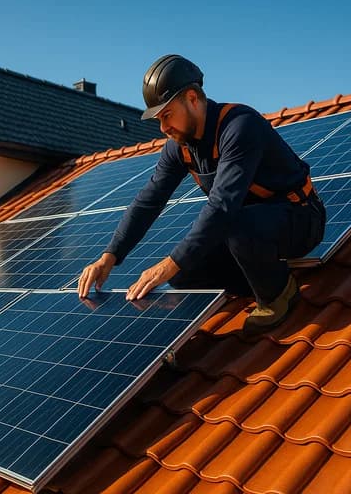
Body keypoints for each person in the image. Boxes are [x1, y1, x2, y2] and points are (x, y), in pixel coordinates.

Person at [77, 54, 326, 330]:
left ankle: (277, 295)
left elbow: (222, 206)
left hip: (300, 218)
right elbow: (148, 201)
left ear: (192, 98)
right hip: (246, 227)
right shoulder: (178, 147)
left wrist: (169, 264)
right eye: (158, 119)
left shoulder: (240, 126)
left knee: (225, 231)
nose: (163, 128)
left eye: (167, 115)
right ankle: (255, 278)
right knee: (183, 275)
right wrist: (109, 256)